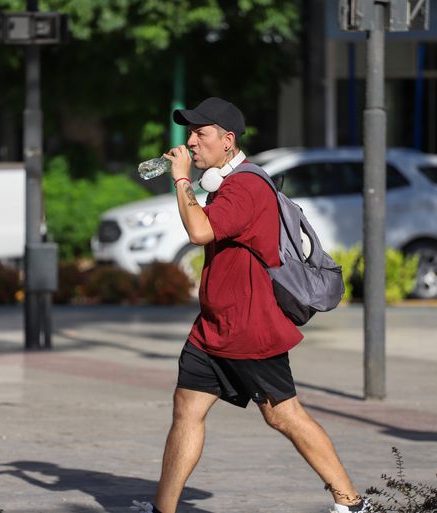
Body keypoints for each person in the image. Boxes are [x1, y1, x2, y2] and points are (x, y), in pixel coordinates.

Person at [131, 97, 370, 513]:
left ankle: (351, 503)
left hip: (248, 329)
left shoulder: (245, 186)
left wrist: (182, 180)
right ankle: (162, 511)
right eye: (190, 133)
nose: (191, 142)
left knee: (283, 415)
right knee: (187, 408)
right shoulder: (227, 183)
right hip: (214, 326)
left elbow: (200, 232)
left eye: (200, 134)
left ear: (227, 140)